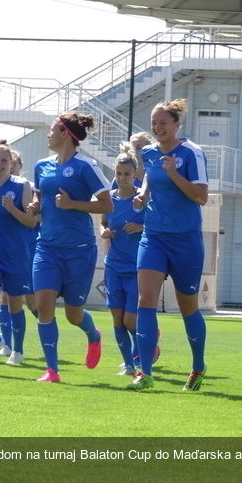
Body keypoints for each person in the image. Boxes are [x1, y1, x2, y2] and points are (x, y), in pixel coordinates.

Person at [129, 99, 209, 390]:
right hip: (154, 236)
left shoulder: (191, 153)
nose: (157, 127)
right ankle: (145, 371)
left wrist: (175, 173)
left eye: (163, 122)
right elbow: (151, 175)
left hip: (185, 239)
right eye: (154, 122)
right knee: (144, 301)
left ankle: (198, 367)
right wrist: (143, 194)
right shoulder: (148, 153)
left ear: (177, 124)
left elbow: (201, 196)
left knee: (188, 307)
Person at [27, 112, 112, 382]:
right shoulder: (41, 166)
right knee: (43, 306)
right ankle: (52, 370)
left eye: (52, 130)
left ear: (65, 134)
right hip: (47, 248)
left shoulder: (86, 166)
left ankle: (93, 334)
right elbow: (41, 197)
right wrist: (35, 205)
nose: (48, 134)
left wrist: (73, 204)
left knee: (73, 315)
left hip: (79, 250)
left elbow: (107, 205)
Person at [0, 140, 36, 364]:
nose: (0, 164)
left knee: (14, 305)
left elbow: (30, 222)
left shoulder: (21, 185)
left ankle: (18, 351)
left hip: (16, 253)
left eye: (4, 160)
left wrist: (12, 209)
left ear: (11, 163)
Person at [100, 144, 145, 375]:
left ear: (135, 174)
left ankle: (143, 353)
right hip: (114, 266)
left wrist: (141, 226)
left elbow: (156, 227)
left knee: (130, 320)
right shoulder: (109, 198)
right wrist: (103, 231)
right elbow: (103, 222)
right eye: (118, 173)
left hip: (137, 268)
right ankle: (129, 364)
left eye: (126, 174)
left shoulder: (142, 198)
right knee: (117, 319)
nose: (122, 178)